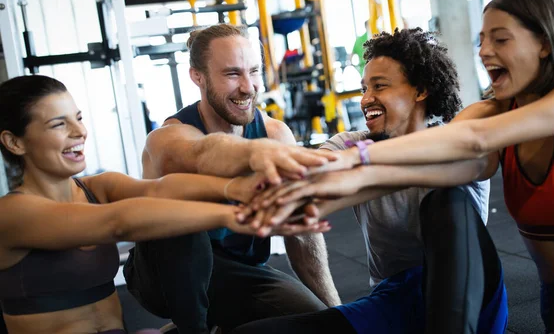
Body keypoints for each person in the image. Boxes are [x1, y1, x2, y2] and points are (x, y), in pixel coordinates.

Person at [272, 0, 554, 333]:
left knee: (446, 199)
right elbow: (416, 171)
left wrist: (358, 159)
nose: (484, 51)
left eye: (500, 40)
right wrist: (310, 200)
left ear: (545, 43)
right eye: (482, 40)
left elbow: (473, 140)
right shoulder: (492, 113)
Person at [230, 28, 508, 334]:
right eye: (364, 88)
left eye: (380, 86)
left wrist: (361, 161)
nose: (366, 99)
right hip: (395, 302)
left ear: (420, 90)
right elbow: (310, 172)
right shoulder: (352, 144)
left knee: (446, 201)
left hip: (473, 298)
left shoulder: (452, 140)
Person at [0, 75, 325, 334]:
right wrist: (239, 215)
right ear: (14, 142)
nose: (80, 131)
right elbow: (119, 222)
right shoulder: (12, 213)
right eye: (59, 124)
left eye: (79, 118)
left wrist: (238, 188)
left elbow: (161, 189)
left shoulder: (94, 188)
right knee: (169, 218)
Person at [124, 24, 341, 334]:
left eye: (253, 71)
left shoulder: (276, 134)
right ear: (197, 76)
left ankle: (211, 324)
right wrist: (253, 154)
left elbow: (303, 236)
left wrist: (338, 312)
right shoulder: (168, 139)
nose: (248, 87)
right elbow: (203, 152)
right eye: (232, 74)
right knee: (182, 220)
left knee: (317, 322)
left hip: (242, 276)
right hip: (162, 280)